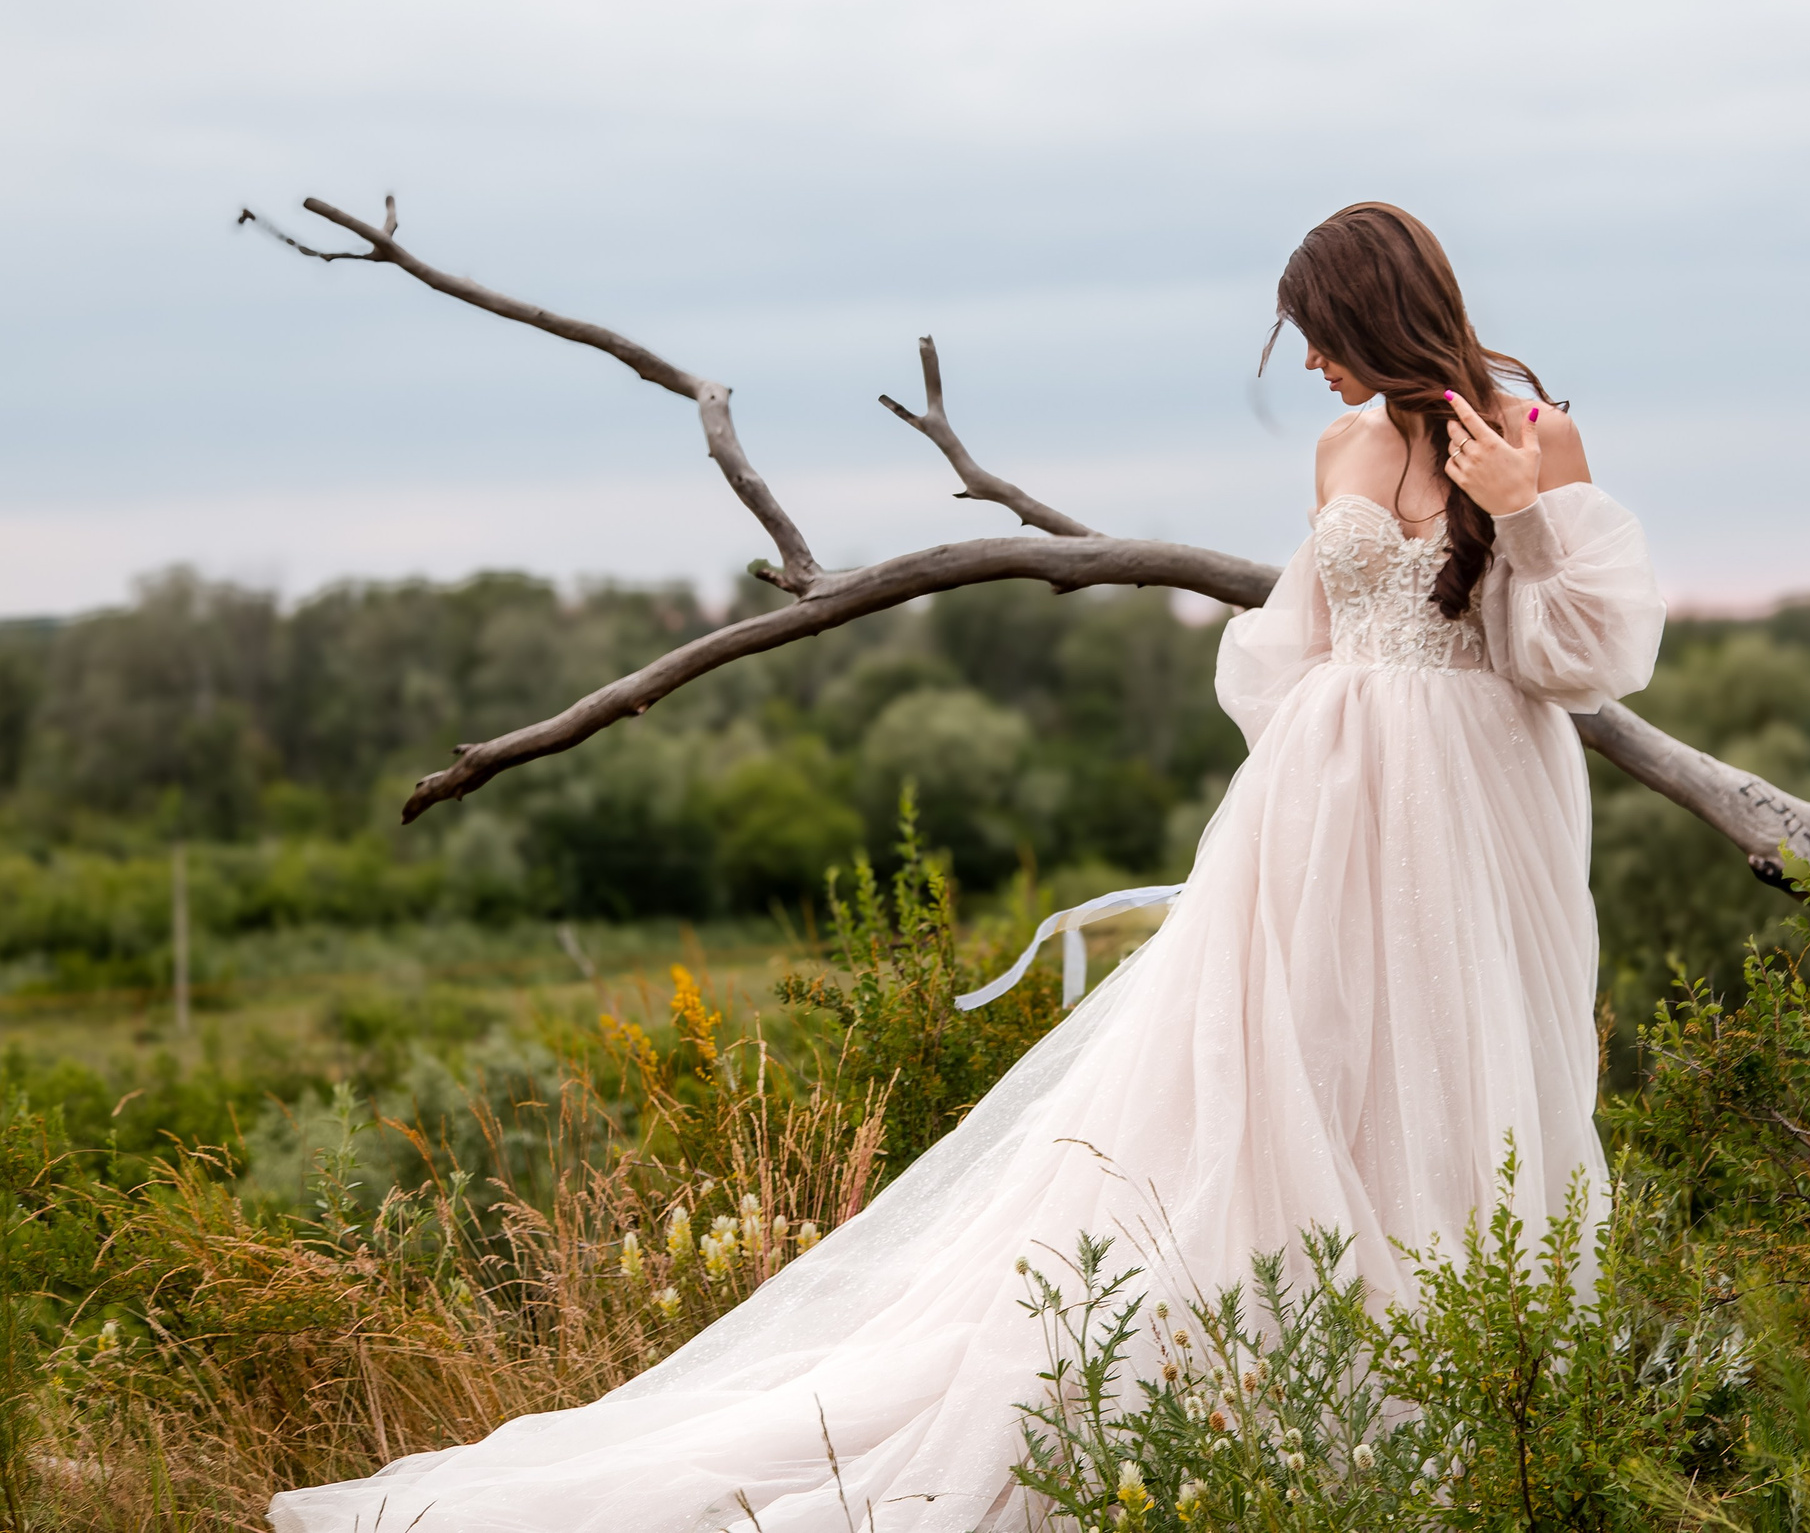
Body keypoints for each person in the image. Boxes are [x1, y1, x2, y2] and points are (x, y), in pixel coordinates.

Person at [270, 201, 1665, 1533]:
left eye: (1319, 331)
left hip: (1477, 808)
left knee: (1458, 1073)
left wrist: (1524, 511)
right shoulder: (1342, 457)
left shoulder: (1539, 433)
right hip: (1322, 801)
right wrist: (1322, 769)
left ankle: (1462, 1405)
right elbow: (1291, 648)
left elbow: (1577, 658)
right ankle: (1268, 1395)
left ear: (1377, 308)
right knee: (1297, 1074)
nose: (1308, 362)